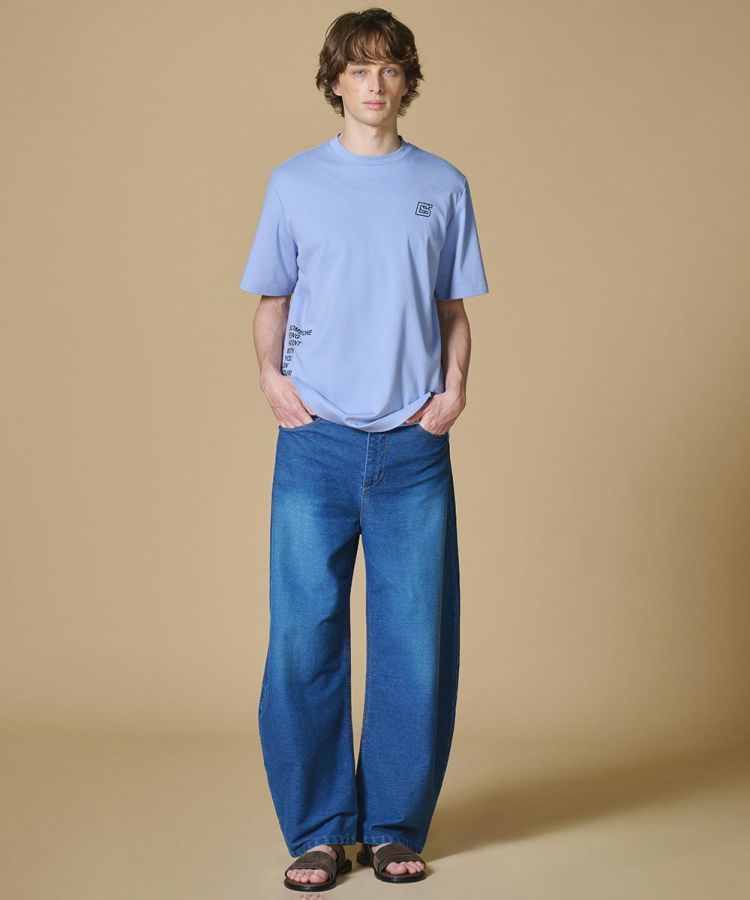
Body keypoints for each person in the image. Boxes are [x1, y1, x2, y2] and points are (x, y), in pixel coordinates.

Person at [238, 7, 489, 890]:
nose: (374, 84)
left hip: (413, 450)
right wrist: (271, 380)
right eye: (358, 69)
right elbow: (271, 299)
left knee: (414, 643)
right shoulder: (294, 183)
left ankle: (391, 827)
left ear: (405, 82)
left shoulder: (443, 185)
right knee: (302, 640)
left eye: (388, 68)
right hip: (316, 446)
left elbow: (453, 310)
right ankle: (318, 831)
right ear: (335, 81)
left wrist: (454, 391)